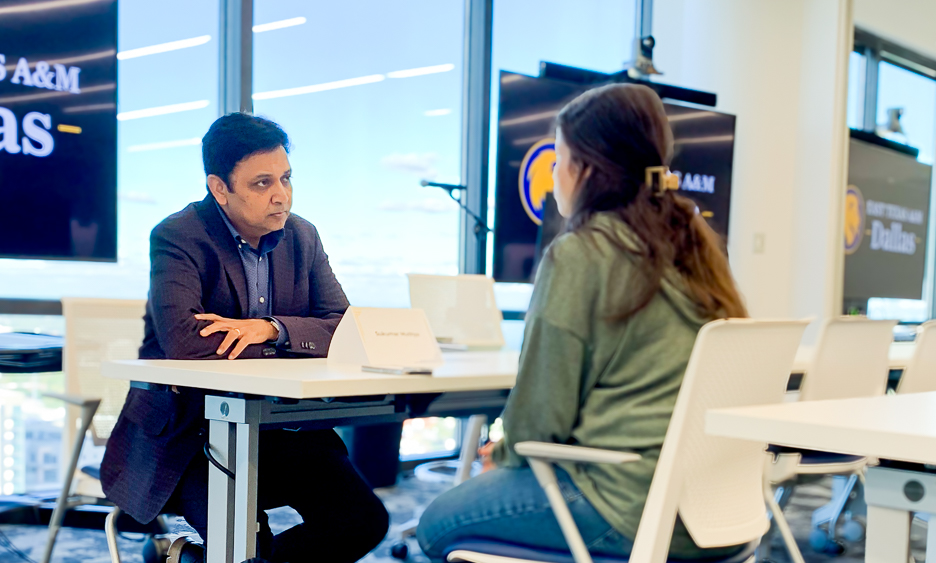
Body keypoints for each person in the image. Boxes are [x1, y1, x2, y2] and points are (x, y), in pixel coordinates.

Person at [416, 84, 749, 561]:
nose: (554, 173)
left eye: (559, 158)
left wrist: (504, 456)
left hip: (627, 507)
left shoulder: (581, 253)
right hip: (715, 510)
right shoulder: (694, 247)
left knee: (436, 524)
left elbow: (538, 422)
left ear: (586, 167)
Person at [100, 113, 389, 563]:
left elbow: (343, 326)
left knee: (362, 521)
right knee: (246, 541)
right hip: (191, 434)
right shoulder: (179, 235)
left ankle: (185, 560)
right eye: (261, 183)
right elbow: (185, 341)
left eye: (286, 178)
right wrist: (294, 341)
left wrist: (272, 328)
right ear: (220, 188)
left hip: (280, 427)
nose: (281, 195)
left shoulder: (302, 235)